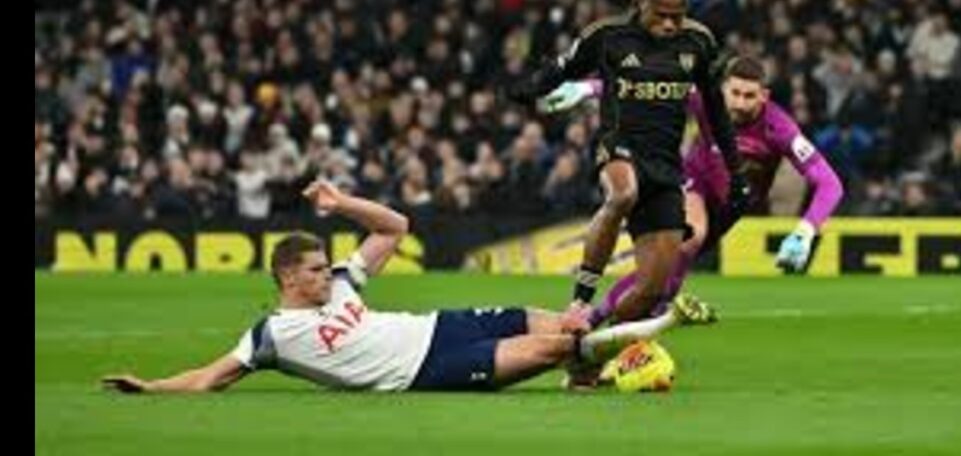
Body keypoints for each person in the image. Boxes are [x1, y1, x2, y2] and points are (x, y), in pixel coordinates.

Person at [101, 180, 690, 393]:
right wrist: (150, 387)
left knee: (563, 322)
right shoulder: (271, 337)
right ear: (285, 277)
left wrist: (339, 204)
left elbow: (395, 228)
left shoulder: (339, 285)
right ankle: (638, 341)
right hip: (423, 371)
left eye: (324, 266)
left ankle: (590, 374)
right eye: (312, 269)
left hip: (440, 326)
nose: (324, 274)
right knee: (559, 347)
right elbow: (209, 378)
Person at [504, 0, 749, 324]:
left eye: (677, 17)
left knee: (653, 289)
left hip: (665, 165)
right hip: (618, 145)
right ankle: (581, 298)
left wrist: (736, 169)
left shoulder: (699, 42)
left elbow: (716, 112)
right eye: (661, 15)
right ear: (641, 4)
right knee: (623, 194)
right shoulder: (607, 35)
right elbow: (563, 67)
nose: (669, 25)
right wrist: (529, 88)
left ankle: (593, 349)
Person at [541, 56, 844, 327]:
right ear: (722, 88)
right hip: (692, 183)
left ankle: (620, 323)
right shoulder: (705, 100)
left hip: (731, 207)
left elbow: (830, 183)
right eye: (734, 93)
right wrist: (586, 89)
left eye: (749, 96)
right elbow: (645, 87)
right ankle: (594, 320)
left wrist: (805, 231)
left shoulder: (779, 128)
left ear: (764, 96)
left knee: (666, 281)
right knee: (688, 239)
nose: (739, 103)